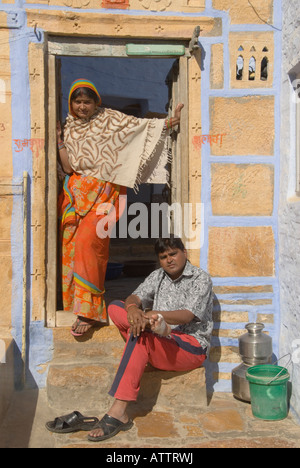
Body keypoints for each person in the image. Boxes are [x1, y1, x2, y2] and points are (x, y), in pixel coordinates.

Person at [57, 79, 184, 336]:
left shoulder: (111, 120)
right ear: (71, 103)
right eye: (77, 101)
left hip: (105, 197)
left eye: (87, 102)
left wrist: (170, 122)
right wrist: (60, 140)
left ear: (96, 103)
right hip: (75, 197)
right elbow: (69, 167)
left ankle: (90, 312)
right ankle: (78, 305)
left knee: (87, 242)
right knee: (74, 249)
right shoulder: (68, 126)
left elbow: (139, 130)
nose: (82, 107)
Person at [87, 236, 213, 442]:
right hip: (158, 335)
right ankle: (145, 329)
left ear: (185, 254)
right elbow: (134, 297)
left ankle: (119, 411)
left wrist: (150, 314)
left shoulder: (200, 278)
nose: (169, 260)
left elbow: (187, 315)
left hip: (189, 346)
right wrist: (134, 309)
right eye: (163, 257)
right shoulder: (158, 276)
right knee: (115, 307)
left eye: (173, 254)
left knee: (140, 336)